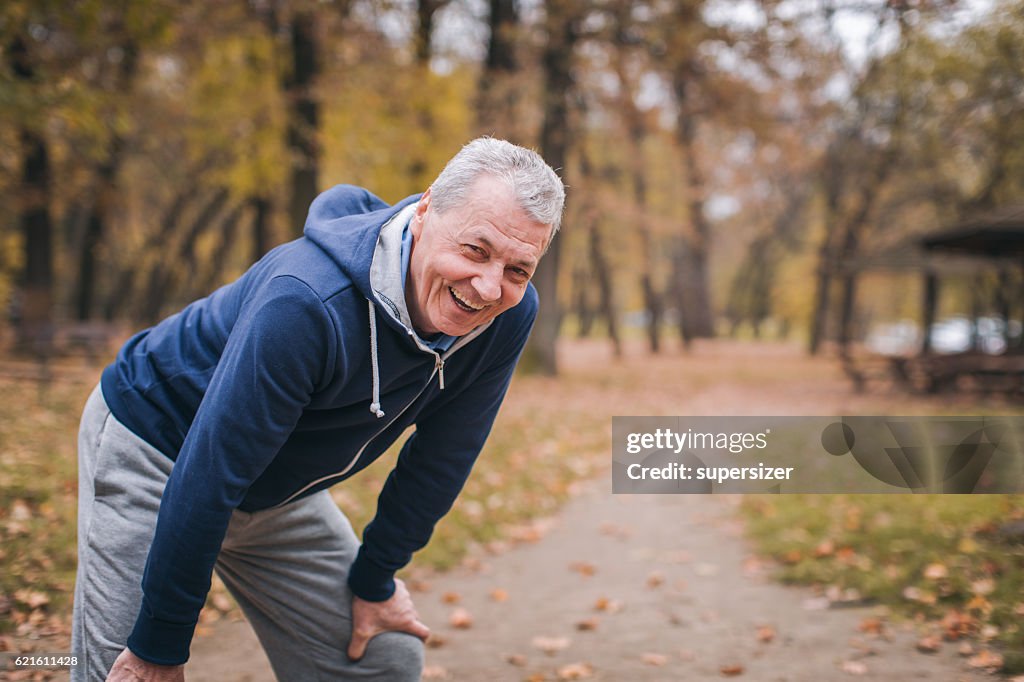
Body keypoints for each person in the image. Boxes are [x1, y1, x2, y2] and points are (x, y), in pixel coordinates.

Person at [71, 137, 565, 682]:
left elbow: (446, 455)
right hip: (158, 448)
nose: (489, 286)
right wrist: (160, 642)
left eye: (518, 269)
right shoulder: (306, 301)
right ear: (425, 211)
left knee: (382, 659)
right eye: (475, 250)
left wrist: (375, 580)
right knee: (122, 675)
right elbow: (210, 474)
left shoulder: (506, 317)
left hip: (274, 487)